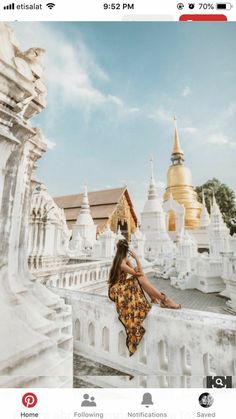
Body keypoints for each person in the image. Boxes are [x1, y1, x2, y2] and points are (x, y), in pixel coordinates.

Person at [108, 239, 181, 356]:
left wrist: (135, 263)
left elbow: (140, 272)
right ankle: (163, 299)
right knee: (139, 279)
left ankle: (160, 299)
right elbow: (139, 274)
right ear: (126, 250)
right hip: (115, 290)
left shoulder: (124, 259)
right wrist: (136, 258)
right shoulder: (121, 263)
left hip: (120, 287)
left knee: (140, 279)